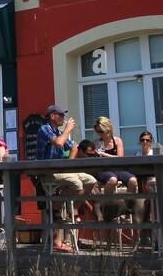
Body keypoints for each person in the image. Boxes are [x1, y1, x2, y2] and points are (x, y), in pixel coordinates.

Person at [35, 104, 97, 253]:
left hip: (61, 172)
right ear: (52, 116)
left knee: (90, 180)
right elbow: (59, 143)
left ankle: (70, 209)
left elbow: (74, 147)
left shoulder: (58, 131)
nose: (64, 118)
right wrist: (68, 130)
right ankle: (62, 208)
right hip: (47, 173)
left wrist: (68, 166)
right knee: (76, 183)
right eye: (61, 115)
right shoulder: (44, 129)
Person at [91, 116, 138, 196]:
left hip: (118, 168)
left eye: (101, 131)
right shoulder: (96, 143)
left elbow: (120, 158)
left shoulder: (117, 141)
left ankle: (127, 204)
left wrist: (104, 154)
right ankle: (108, 204)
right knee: (113, 180)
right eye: (97, 131)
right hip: (104, 169)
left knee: (133, 180)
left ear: (108, 129)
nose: (99, 134)